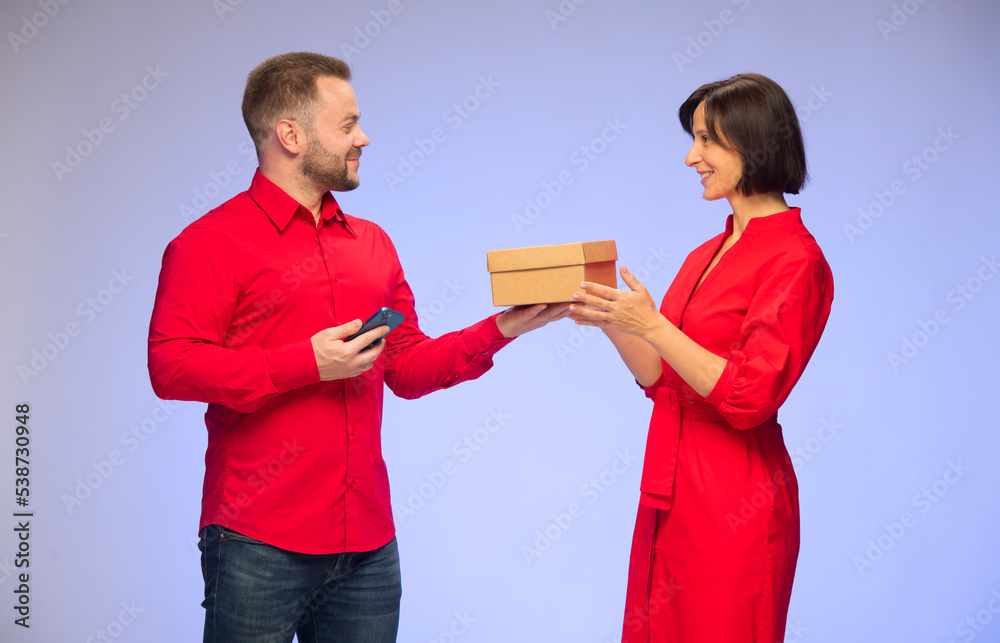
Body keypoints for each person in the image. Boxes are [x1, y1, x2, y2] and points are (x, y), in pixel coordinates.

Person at [146, 52, 567, 643]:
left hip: (368, 545)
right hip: (257, 542)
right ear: (290, 135)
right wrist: (305, 363)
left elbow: (408, 368)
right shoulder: (208, 243)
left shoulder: (372, 244)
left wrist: (502, 329)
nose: (363, 138)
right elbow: (171, 366)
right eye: (347, 125)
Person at [568, 73, 834, 641]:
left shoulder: (795, 260)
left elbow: (749, 398)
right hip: (671, 490)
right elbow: (664, 378)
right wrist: (610, 320)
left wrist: (654, 325)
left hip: (734, 500)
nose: (692, 157)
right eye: (694, 140)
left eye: (707, 140)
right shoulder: (706, 252)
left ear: (755, 143)